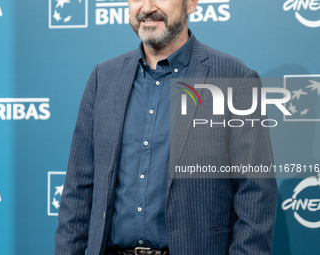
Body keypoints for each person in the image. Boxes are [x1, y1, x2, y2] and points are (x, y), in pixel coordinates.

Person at [55, 0, 278, 254]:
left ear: (191, 4)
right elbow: (78, 189)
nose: (148, 7)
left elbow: (257, 193)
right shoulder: (103, 77)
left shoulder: (234, 77)